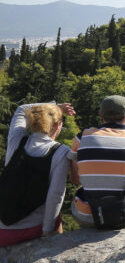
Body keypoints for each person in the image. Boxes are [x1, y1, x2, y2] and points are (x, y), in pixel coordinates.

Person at [71, 96, 125, 227]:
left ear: (100, 115)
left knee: (84, 194)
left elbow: (75, 180)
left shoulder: (82, 138)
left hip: (86, 216)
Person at [1, 102, 74, 246]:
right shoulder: (61, 152)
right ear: (57, 126)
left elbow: (21, 109)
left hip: (1, 231)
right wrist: (47, 231)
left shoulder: (16, 141)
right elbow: (55, 195)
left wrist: (55, 105)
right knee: (56, 215)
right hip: (27, 232)